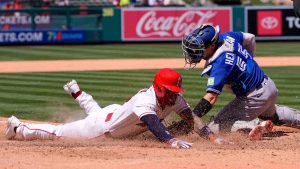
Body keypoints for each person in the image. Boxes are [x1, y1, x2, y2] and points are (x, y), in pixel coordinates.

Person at [5, 68, 222, 148]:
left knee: (96, 111)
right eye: (170, 90)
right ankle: (17, 128)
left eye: (176, 91)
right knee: (59, 133)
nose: (174, 94)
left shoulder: (173, 99)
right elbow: (154, 125)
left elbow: (191, 119)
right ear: (158, 88)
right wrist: (171, 140)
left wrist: (213, 138)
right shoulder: (144, 102)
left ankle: (77, 92)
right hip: (101, 129)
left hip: (114, 112)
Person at [181, 24, 300, 140]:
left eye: (200, 48)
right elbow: (250, 37)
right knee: (273, 114)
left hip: (254, 98)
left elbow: (211, 97)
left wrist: (191, 118)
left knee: (216, 125)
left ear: (212, 45)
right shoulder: (227, 37)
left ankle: (254, 125)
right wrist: (249, 60)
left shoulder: (220, 64)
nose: (195, 52)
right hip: (269, 86)